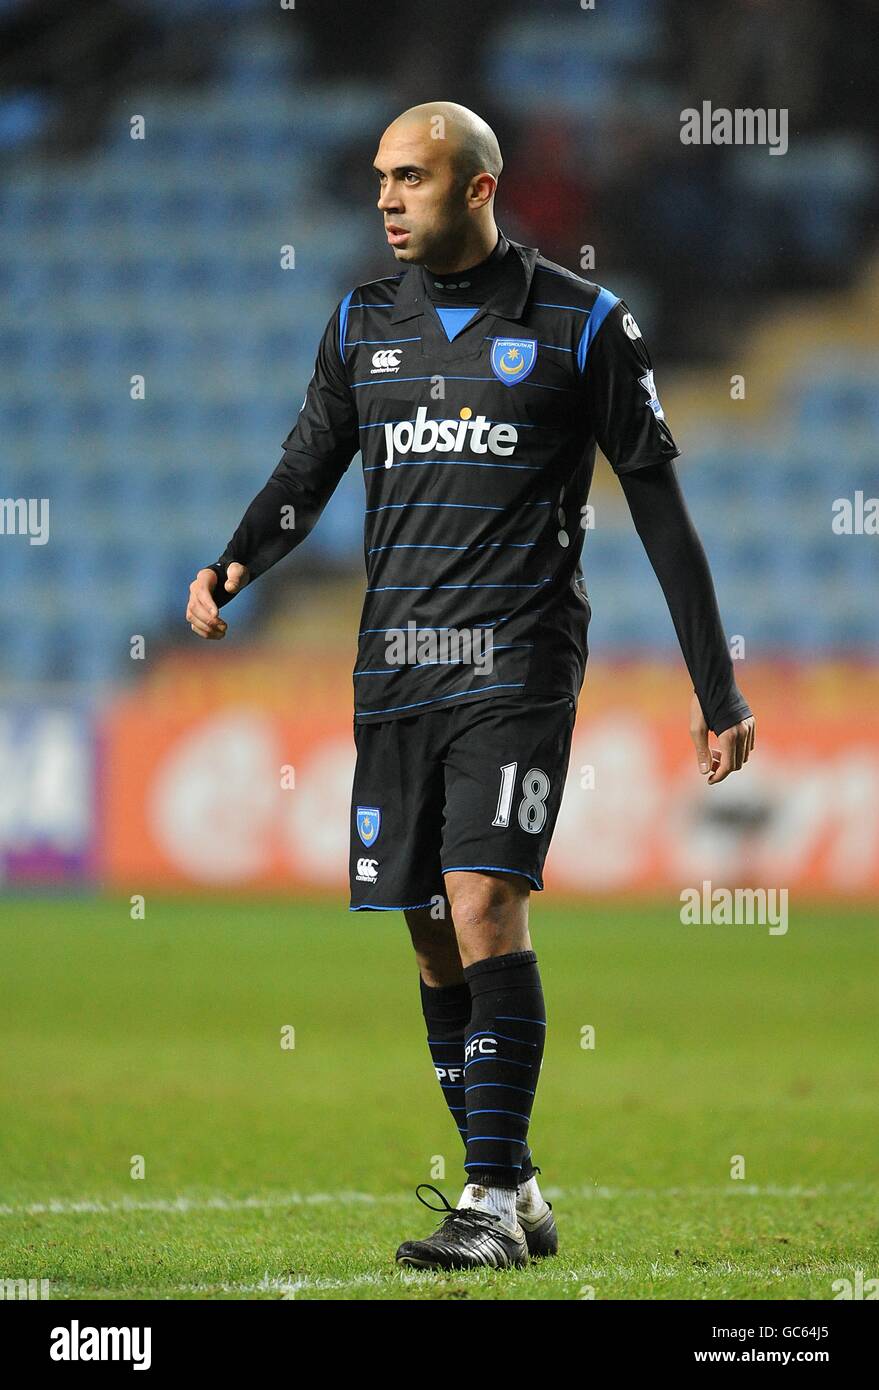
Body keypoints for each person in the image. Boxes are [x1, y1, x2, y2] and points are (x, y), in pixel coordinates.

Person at [186, 101, 755, 1271]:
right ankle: (522, 1185)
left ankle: (487, 1194)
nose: (387, 198)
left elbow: (658, 505)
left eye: (412, 178)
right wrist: (236, 558)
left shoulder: (583, 323)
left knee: (486, 898)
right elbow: (310, 465)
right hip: (396, 666)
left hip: (518, 660)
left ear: (480, 189)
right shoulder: (359, 323)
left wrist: (718, 685)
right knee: (433, 934)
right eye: (381, 179)